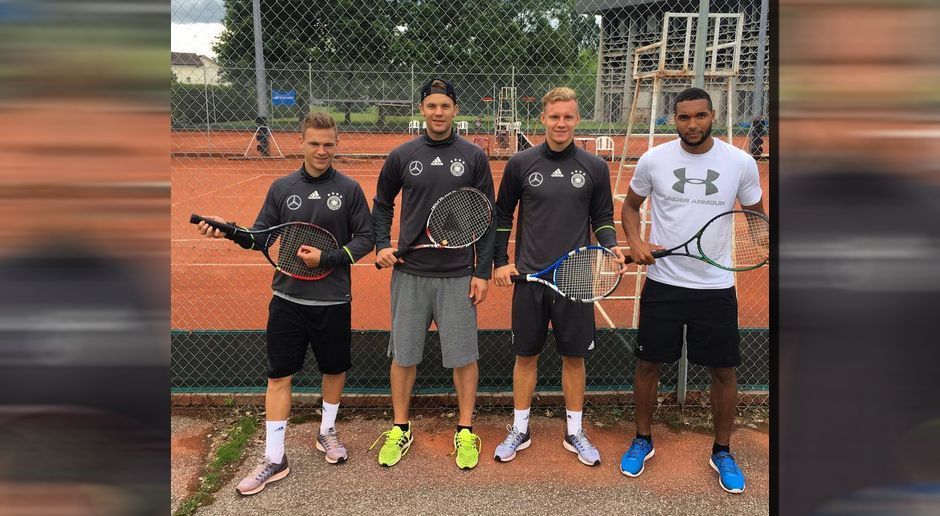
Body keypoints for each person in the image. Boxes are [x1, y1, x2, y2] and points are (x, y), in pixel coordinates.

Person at [195, 111, 373, 495]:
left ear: (336, 143)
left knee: (334, 369)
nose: (322, 151)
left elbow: (366, 239)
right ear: (301, 142)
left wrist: (327, 258)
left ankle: (326, 431)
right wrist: (228, 231)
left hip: (333, 300)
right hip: (287, 298)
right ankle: (275, 458)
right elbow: (260, 237)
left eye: (329, 144)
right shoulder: (281, 187)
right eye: (314, 143)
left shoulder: (350, 189)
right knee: (278, 376)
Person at [618, 87, 765, 493]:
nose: (693, 124)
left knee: (723, 370)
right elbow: (630, 208)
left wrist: (766, 246)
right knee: (648, 366)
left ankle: (722, 450)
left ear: (712, 115)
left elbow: (756, 217)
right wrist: (636, 243)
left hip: (715, 287)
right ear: (674, 119)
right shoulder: (654, 159)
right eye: (684, 117)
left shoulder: (740, 162)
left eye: (700, 116)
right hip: (663, 283)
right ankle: (642, 439)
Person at [491, 87, 625, 466]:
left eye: (567, 117)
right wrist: (501, 261)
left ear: (576, 119)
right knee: (525, 355)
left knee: (574, 357)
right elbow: (503, 216)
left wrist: (611, 244)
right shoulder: (521, 163)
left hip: (576, 280)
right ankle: (520, 428)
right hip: (530, 279)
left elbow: (602, 218)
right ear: (543, 119)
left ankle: (575, 431)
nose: (560, 123)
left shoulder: (595, 167)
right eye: (554, 116)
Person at [371, 78, 496, 470]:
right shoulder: (402, 155)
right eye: (431, 105)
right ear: (422, 109)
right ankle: (400, 427)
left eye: (445, 105)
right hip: (410, 273)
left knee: (463, 357)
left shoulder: (473, 157)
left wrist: (482, 271)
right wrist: (381, 245)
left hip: (459, 274)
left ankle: (464, 430)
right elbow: (381, 204)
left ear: (455, 109)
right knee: (404, 355)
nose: (438, 112)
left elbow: (488, 219)